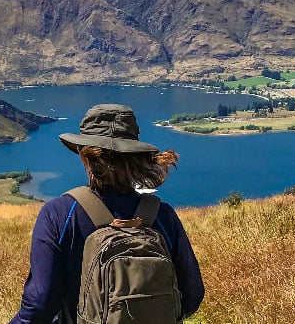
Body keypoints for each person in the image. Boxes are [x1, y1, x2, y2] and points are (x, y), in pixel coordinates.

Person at [11, 104, 204, 323]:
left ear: (85, 156)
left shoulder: (60, 214)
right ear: (135, 156)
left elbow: (40, 303)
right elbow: (192, 296)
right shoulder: (163, 215)